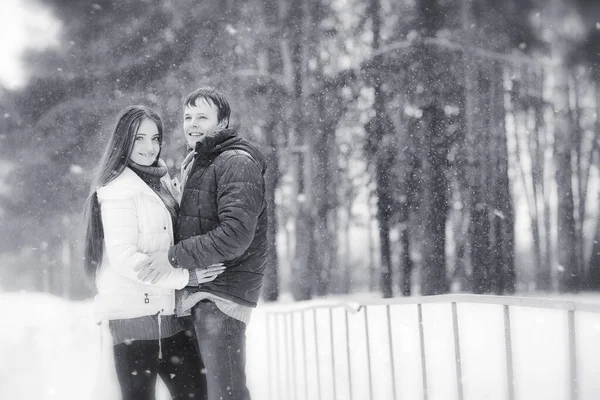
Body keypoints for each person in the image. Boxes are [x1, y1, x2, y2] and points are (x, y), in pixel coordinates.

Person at [83, 105, 226, 400]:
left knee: (196, 394)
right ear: (124, 141)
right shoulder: (118, 190)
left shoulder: (158, 181)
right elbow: (125, 259)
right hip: (134, 319)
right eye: (139, 139)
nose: (150, 147)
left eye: (155, 138)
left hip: (169, 315)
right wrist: (187, 277)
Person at [135, 87, 268, 400]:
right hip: (201, 294)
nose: (192, 123)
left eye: (202, 117)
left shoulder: (235, 161)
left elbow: (235, 235)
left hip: (220, 296)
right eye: (187, 117)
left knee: (226, 392)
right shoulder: (201, 161)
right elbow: (204, 221)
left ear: (222, 122)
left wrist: (173, 257)